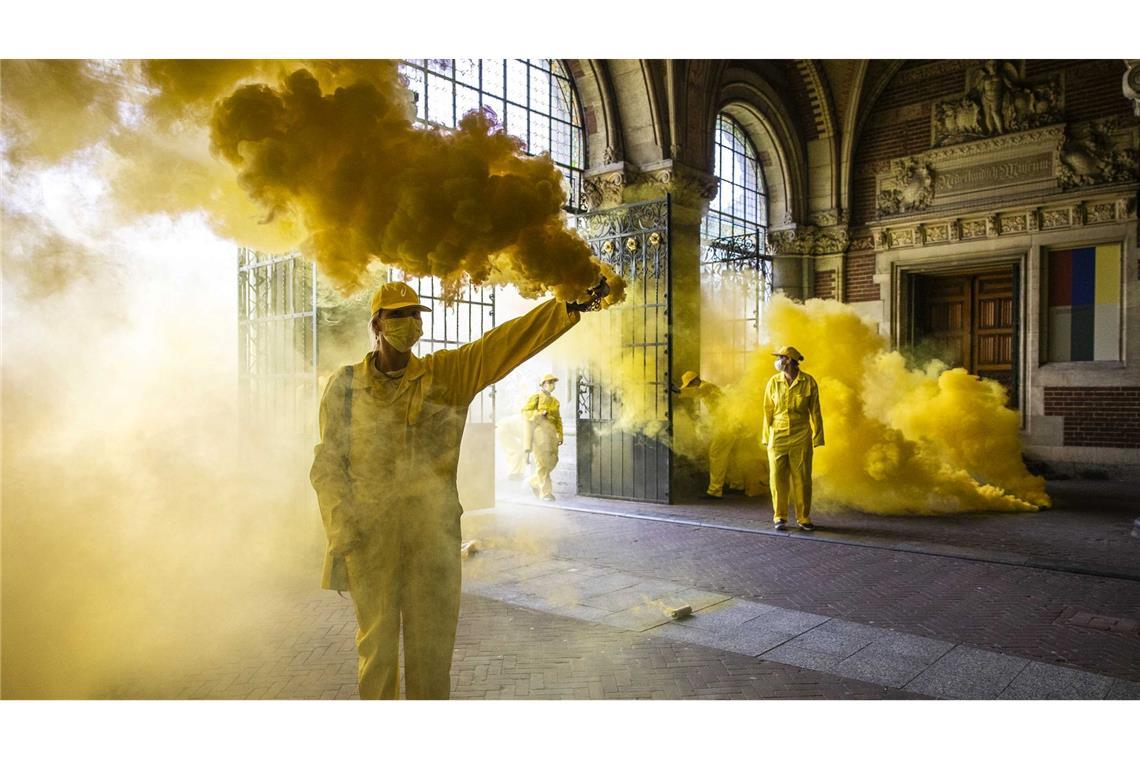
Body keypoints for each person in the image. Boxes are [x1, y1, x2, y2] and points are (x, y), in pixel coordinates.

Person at [310, 278, 608, 699]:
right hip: (370, 541)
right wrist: (342, 531)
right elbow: (327, 465)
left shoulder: (444, 375)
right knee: (376, 652)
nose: (411, 322)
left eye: (416, 314)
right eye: (400, 315)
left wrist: (566, 305)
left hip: (432, 540)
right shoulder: (344, 388)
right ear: (377, 324)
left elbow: (500, 345)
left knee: (432, 655)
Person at [760, 346, 824, 532]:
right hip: (777, 436)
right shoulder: (773, 382)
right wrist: (766, 437)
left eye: (781, 357)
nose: (778, 360)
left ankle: (803, 517)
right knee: (777, 478)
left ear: (791, 360)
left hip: (800, 435)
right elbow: (767, 410)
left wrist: (818, 436)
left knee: (802, 478)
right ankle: (779, 517)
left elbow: (816, 411)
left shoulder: (808, 382)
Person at [673, 370, 736, 500]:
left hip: (725, 426)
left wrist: (679, 391)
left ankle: (715, 491)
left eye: (689, 385)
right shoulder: (709, 387)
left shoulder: (705, 386)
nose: (690, 388)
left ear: (694, 381)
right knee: (732, 454)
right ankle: (737, 485)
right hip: (729, 424)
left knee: (716, 454)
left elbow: (697, 392)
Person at [522, 374, 563, 501]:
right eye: (549, 382)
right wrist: (539, 413)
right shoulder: (536, 398)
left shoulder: (555, 401)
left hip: (551, 433)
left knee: (553, 460)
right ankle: (546, 493)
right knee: (542, 462)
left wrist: (560, 434)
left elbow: (558, 419)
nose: (552, 385)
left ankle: (534, 482)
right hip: (540, 433)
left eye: (553, 383)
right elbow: (525, 412)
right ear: (543, 384)